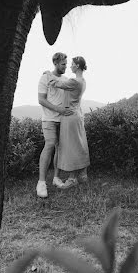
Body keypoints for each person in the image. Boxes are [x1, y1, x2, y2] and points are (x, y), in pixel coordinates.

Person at [46, 56, 90, 189]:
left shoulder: (74, 81)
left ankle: (72, 179)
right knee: (79, 144)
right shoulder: (83, 81)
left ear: (77, 65)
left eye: (71, 64)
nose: (69, 66)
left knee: (71, 147)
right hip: (77, 114)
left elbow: (55, 83)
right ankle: (82, 174)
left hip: (69, 116)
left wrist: (48, 73)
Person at [36, 52, 74, 198]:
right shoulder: (45, 77)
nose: (65, 66)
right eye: (63, 64)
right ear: (56, 63)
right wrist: (59, 110)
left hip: (63, 120)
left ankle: (56, 178)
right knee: (50, 144)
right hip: (49, 119)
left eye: (66, 64)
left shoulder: (64, 80)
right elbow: (41, 100)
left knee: (60, 148)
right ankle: (41, 183)